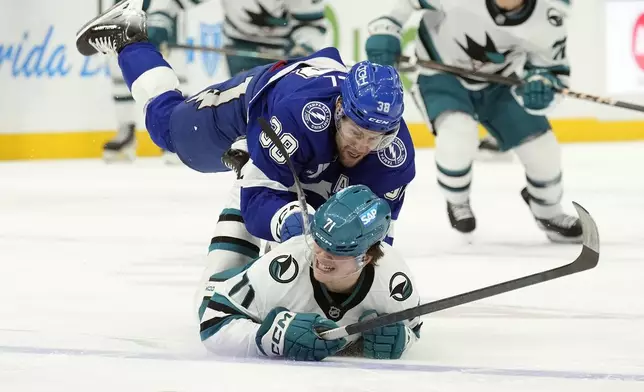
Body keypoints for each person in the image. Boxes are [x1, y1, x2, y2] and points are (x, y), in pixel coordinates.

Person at [75, 0, 415, 254]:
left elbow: (377, 235)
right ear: (339, 109)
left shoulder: (394, 154)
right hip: (260, 94)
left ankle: (256, 151)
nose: (364, 145)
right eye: (357, 132)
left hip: (290, 93)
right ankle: (129, 36)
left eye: (377, 137)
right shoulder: (301, 116)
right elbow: (257, 199)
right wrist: (291, 223)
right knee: (170, 132)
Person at [365, 0, 581, 243]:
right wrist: (387, 30)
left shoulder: (549, 18)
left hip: (500, 83)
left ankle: (549, 213)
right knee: (457, 132)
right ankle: (457, 200)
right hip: (442, 76)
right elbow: (405, 5)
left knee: (543, 149)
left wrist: (540, 89)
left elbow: (552, 75)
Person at [196, 185, 422, 360]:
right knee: (221, 269)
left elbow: (413, 328)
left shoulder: (395, 283)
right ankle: (242, 183)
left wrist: (401, 339)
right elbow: (212, 323)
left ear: (367, 258)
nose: (321, 257)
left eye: (338, 251)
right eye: (319, 242)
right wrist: (272, 338)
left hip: (279, 282)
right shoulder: (283, 268)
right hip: (238, 286)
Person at [102, 0, 191, 164]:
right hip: (124, 8)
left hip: (167, 9)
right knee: (122, 61)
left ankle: (179, 134)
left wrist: (166, 11)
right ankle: (126, 130)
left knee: (172, 66)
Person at [221, 0, 329, 76]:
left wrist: (303, 47)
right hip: (239, 45)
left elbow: (312, 25)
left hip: (284, 50)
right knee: (245, 96)